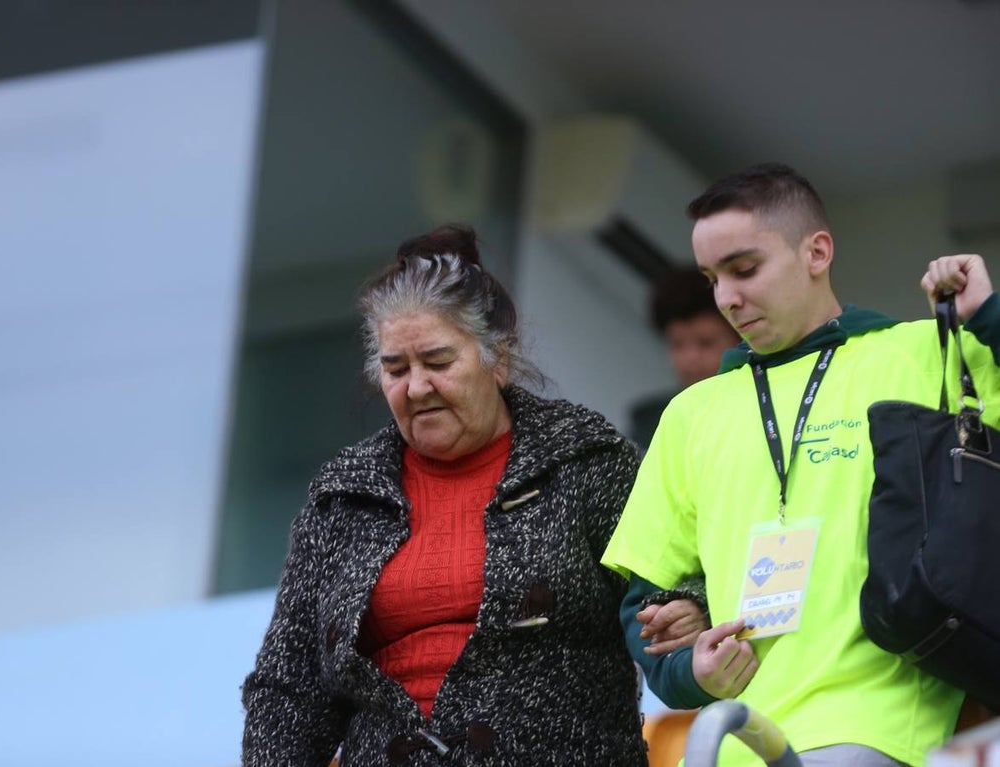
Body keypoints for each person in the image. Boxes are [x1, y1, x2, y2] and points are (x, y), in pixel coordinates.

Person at [601, 163, 1000, 767]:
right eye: (713, 277)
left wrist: (988, 314)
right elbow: (648, 613)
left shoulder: (929, 354)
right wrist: (693, 670)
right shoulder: (690, 413)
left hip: (876, 733)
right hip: (723, 744)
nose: (727, 297)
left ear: (816, 252)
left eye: (744, 269)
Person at [241, 224, 655, 766]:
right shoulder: (343, 497)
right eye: (396, 369)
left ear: (497, 360)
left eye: (437, 362)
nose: (416, 386)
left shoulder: (586, 460)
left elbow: (665, 599)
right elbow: (288, 688)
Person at [628, 267, 739, 449]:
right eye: (677, 344)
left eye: (706, 343)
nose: (690, 358)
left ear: (740, 341)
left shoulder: (764, 408)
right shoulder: (649, 422)